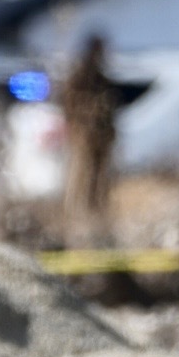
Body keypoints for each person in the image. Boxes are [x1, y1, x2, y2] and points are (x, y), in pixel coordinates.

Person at [59, 31, 120, 232]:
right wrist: (82, 120)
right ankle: (75, 215)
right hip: (84, 134)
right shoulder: (80, 75)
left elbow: (110, 106)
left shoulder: (102, 78)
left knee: (100, 176)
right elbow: (69, 103)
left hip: (101, 134)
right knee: (81, 173)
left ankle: (97, 213)